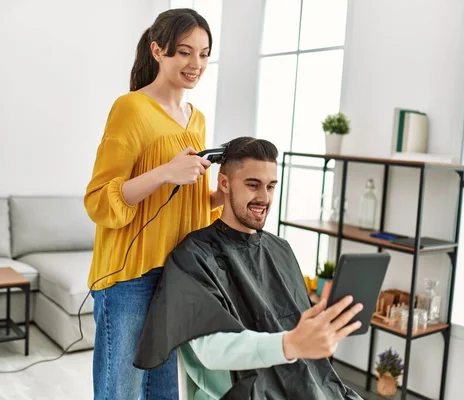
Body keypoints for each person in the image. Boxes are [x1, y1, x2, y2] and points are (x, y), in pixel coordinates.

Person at [133, 137, 364, 400]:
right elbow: (212, 350)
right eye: (253, 185)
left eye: (271, 186)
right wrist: (289, 344)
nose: (264, 197)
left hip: (309, 385)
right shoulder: (193, 255)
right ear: (224, 183)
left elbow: (293, 320)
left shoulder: (280, 249)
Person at [83, 8, 223, 399]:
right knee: (122, 391)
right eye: (184, 52)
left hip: (177, 274)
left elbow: (185, 204)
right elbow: (98, 200)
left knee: (163, 392)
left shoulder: (196, 119)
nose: (196, 64)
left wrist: (220, 196)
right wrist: (164, 172)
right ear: (158, 50)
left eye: (204, 53)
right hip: (130, 278)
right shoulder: (130, 109)